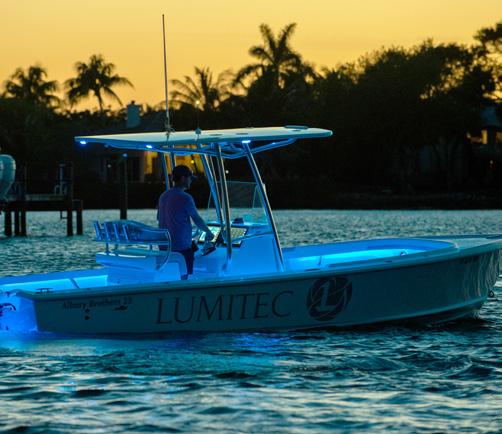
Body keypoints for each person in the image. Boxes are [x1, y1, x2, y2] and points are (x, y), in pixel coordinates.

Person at [158, 165, 214, 278]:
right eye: (190, 178)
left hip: (165, 248)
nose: (191, 181)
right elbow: (197, 219)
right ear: (183, 178)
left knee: (192, 247)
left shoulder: (163, 196)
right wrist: (208, 232)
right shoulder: (185, 197)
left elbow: (161, 218)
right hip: (180, 249)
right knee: (186, 272)